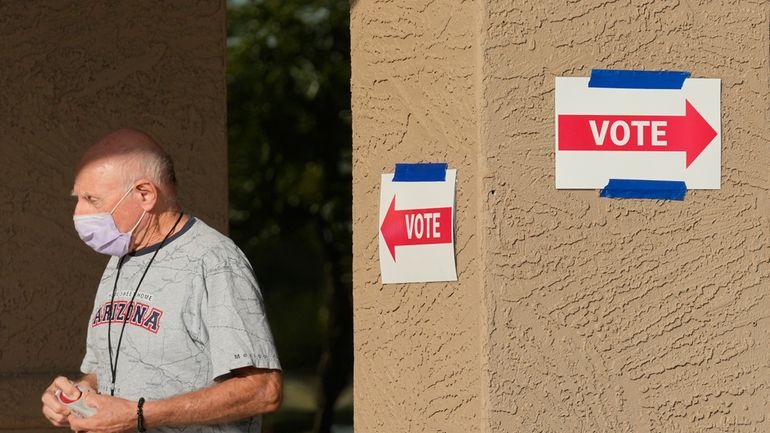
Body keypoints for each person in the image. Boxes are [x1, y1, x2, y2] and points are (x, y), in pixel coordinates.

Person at [41, 128, 282, 433]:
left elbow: (263, 390)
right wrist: (76, 393)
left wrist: (139, 414)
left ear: (145, 194)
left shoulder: (213, 261)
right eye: (79, 199)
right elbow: (106, 373)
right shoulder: (120, 260)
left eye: (92, 200)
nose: (80, 213)